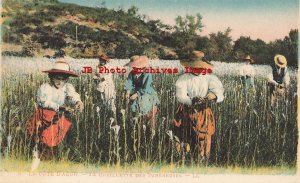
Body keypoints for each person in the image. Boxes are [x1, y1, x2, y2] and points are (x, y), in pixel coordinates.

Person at [173, 51, 224, 164]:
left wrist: (213, 96)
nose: (198, 69)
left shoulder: (209, 78)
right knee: (186, 137)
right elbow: (180, 96)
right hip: (186, 111)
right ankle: (186, 161)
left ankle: (202, 162)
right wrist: (191, 100)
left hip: (203, 112)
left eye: (200, 67)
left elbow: (220, 93)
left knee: (203, 138)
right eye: (195, 67)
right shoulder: (184, 78)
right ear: (190, 66)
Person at [26, 60, 84, 160]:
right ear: (51, 77)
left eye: (63, 79)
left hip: (56, 116)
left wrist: (78, 102)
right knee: (37, 137)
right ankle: (36, 155)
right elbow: (44, 102)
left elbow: (73, 96)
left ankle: (48, 157)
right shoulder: (45, 88)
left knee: (50, 137)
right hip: (43, 115)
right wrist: (61, 108)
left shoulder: (67, 88)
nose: (60, 82)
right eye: (57, 78)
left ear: (66, 80)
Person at [124, 55, 159, 126]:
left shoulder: (147, 73)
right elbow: (129, 82)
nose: (134, 68)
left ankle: (149, 127)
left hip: (146, 93)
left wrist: (137, 94)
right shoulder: (132, 73)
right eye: (133, 67)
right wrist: (127, 91)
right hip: (136, 92)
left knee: (146, 109)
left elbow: (146, 88)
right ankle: (138, 125)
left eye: (135, 66)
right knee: (135, 110)